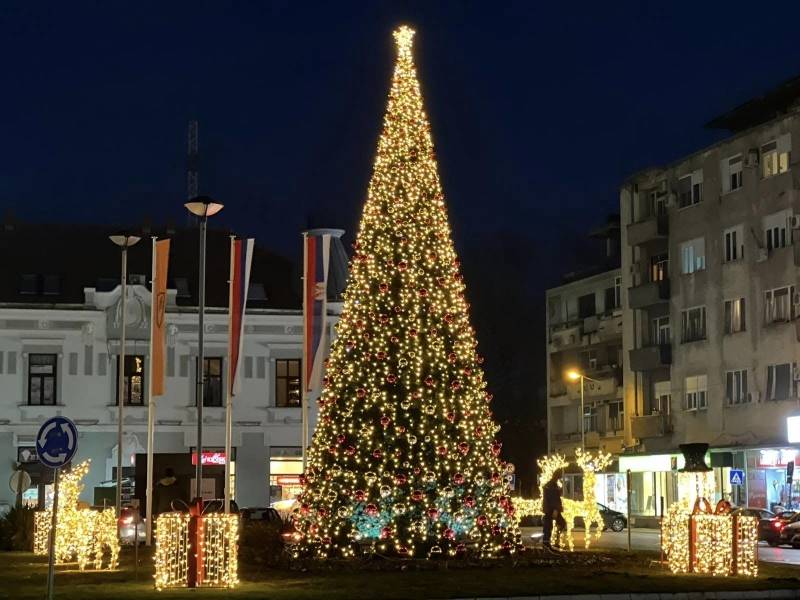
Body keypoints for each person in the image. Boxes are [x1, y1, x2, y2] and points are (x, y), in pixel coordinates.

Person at [542, 471, 566, 550]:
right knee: (558, 524)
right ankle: (549, 542)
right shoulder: (552, 485)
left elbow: (552, 497)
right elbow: (554, 498)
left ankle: (548, 542)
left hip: (549, 509)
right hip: (552, 509)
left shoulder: (551, 485)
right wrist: (555, 509)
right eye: (559, 477)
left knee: (549, 525)